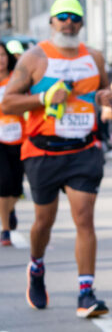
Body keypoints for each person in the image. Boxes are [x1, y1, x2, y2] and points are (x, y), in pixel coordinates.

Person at [1, 0, 112, 317]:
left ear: (82, 23)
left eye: (75, 17)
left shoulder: (94, 57)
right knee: (43, 222)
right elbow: (8, 103)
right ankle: (36, 266)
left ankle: (86, 292)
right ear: (51, 22)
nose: (69, 22)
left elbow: (102, 93)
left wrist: (106, 97)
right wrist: (43, 97)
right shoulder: (34, 58)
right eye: (62, 17)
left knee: (84, 218)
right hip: (42, 150)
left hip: (82, 149)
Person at [0, 41, 23, 247]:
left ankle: (10, 208)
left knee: (16, 188)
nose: (0, 59)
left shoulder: (17, 79)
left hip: (20, 137)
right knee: (4, 182)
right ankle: (5, 230)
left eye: (2, 55)